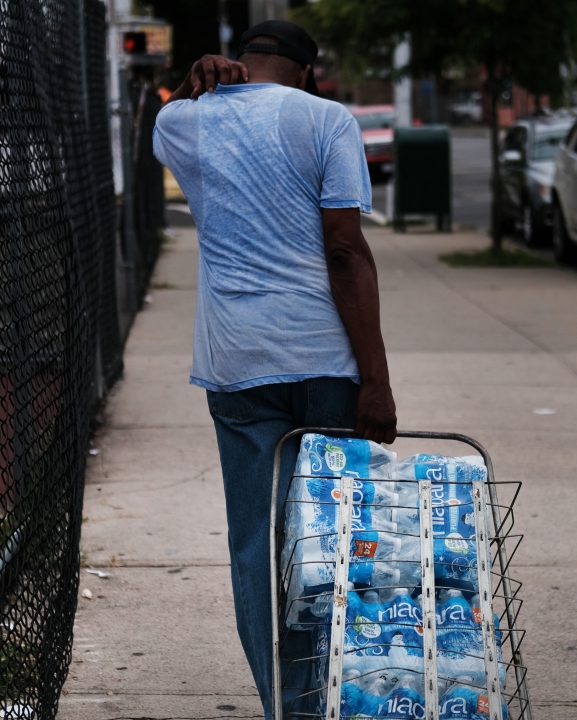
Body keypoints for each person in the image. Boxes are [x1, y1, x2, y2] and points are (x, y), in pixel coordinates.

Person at [152, 19, 397, 718]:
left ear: (242, 61)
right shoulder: (328, 120)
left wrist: (202, 78)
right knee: (332, 540)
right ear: (308, 72)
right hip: (325, 360)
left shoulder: (184, 122)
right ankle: (343, 695)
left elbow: (158, 114)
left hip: (237, 362)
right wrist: (375, 381)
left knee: (256, 549)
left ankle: (284, 708)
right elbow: (346, 250)